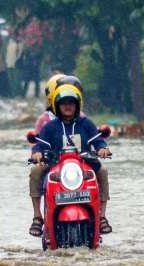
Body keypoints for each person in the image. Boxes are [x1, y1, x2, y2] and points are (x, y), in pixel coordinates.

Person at [28, 84, 112, 237]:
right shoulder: (49, 127)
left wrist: (102, 149)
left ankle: (101, 217)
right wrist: (37, 153)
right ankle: (37, 217)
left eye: (71, 103)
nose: (67, 106)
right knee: (35, 171)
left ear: (77, 105)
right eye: (64, 103)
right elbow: (39, 145)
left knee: (103, 171)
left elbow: (98, 141)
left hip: (84, 164)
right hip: (55, 165)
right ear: (57, 106)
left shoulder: (86, 124)